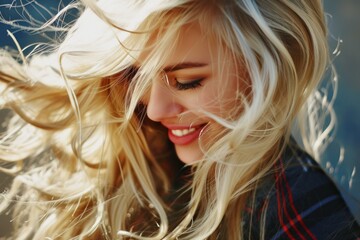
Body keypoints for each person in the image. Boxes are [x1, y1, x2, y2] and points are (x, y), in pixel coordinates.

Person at [0, 0, 359, 239]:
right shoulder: (146, 166)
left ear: (265, 66)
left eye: (187, 81)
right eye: (134, 75)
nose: (154, 109)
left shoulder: (301, 206)